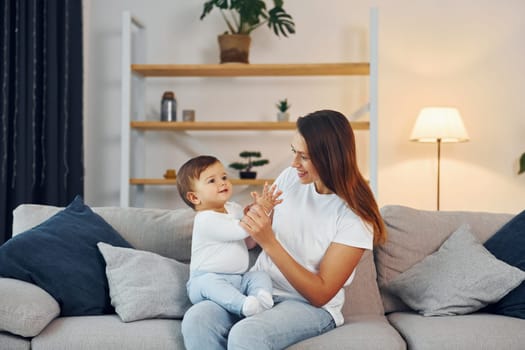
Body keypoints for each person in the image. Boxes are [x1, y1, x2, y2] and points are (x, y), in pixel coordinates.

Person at [181, 110, 387, 350]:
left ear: (331, 158)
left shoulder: (355, 215)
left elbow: (321, 293)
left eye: (304, 157)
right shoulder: (291, 178)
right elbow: (259, 226)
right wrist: (254, 215)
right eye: (293, 152)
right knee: (198, 319)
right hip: (258, 288)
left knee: (247, 334)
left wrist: (268, 241)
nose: (293, 164)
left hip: (308, 306)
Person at [177, 155, 283, 318]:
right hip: (205, 280)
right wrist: (259, 209)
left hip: (237, 280)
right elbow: (242, 229)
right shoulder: (205, 219)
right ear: (194, 197)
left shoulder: (234, 208)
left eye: (224, 177)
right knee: (209, 283)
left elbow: (249, 242)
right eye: (212, 181)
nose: (222, 182)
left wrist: (259, 213)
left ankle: (261, 299)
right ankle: (243, 305)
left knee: (259, 275)